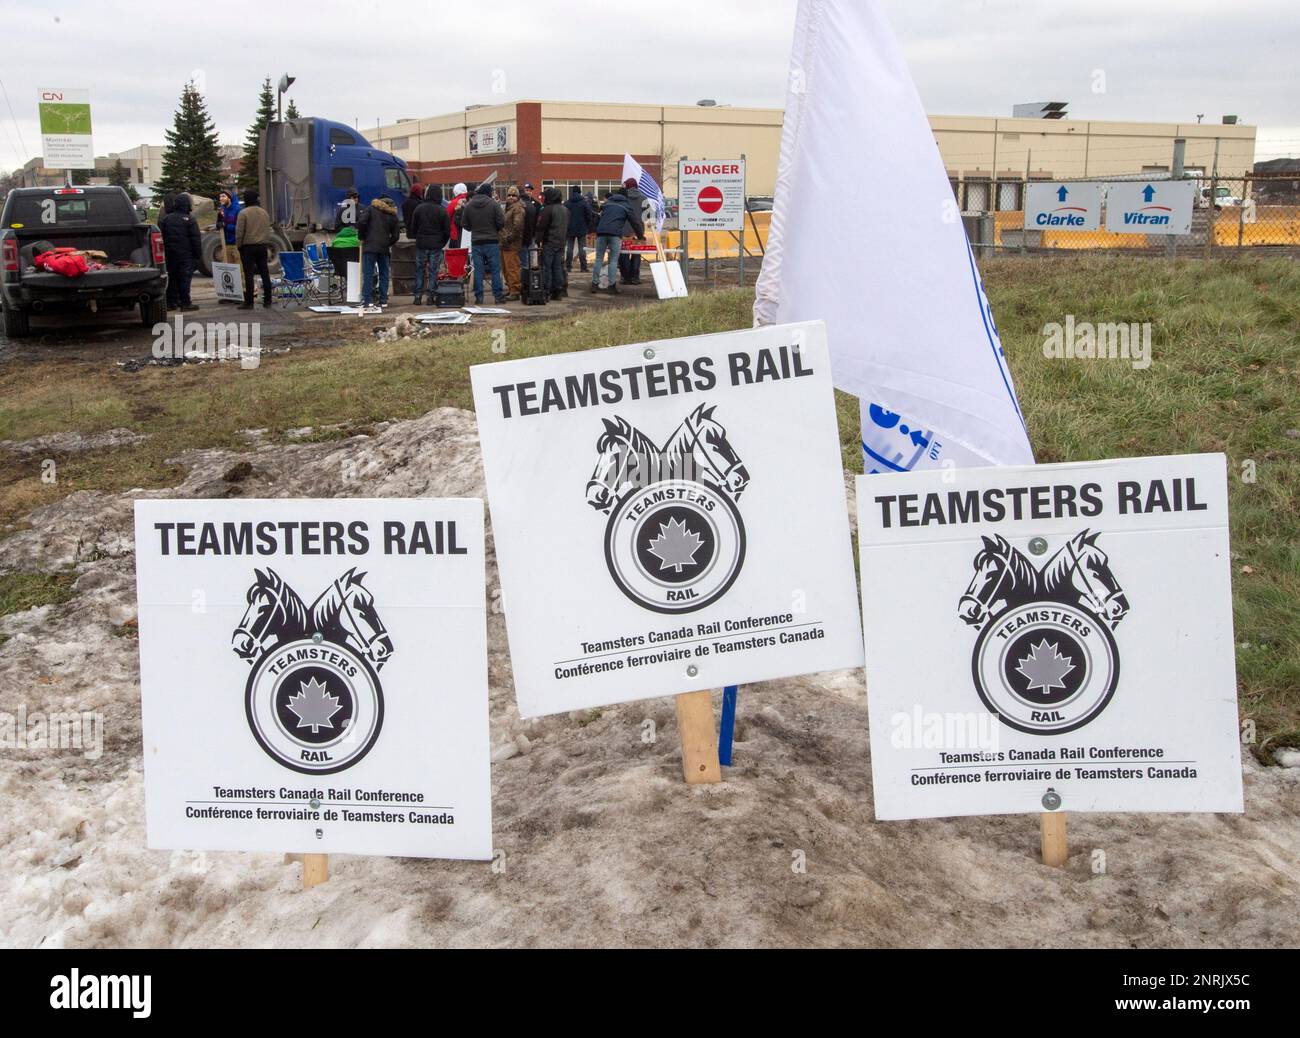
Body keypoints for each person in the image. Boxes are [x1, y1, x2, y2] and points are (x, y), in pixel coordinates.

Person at [457, 183, 507, 304]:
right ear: (489, 192)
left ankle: (479, 298)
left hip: (476, 242)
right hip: (492, 241)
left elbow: (464, 223)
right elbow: (502, 221)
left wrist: (473, 229)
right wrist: (495, 229)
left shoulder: (469, 205)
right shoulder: (494, 204)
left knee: (478, 270)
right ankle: (498, 296)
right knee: (495, 270)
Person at [591, 186, 643, 293]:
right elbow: (635, 223)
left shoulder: (607, 204)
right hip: (615, 234)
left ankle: (594, 284)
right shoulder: (625, 206)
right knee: (613, 261)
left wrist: (596, 230)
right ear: (626, 196)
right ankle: (611, 286)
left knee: (598, 259)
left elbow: (597, 217)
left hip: (601, 233)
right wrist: (640, 236)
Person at [159, 193, 202, 312]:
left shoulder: (166, 219)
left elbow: (161, 237)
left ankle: (171, 303)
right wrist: (198, 255)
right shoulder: (190, 219)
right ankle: (185, 303)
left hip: (169, 254)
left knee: (172, 278)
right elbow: (195, 239)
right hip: (186, 254)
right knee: (185, 278)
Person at [408, 185, 450, 305]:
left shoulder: (419, 208)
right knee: (433, 271)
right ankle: (430, 297)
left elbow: (413, 227)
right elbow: (447, 230)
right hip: (436, 245)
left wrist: (418, 238)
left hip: (421, 243)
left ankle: (417, 296)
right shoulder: (442, 210)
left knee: (419, 270)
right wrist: (441, 242)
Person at [357, 194, 401, 307]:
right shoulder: (392, 215)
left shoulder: (370, 209)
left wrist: (362, 237)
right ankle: (383, 300)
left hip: (369, 246)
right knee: (384, 274)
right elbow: (396, 236)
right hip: (384, 248)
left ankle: (368, 300)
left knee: (368, 273)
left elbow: (361, 222)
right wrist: (387, 242)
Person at [235, 189, 274, 309]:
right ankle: (268, 300)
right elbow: (268, 230)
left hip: (248, 247)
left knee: (249, 275)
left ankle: (249, 302)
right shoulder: (264, 212)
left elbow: (240, 232)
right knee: (265, 273)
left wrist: (239, 245)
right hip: (262, 246)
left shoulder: (243, 213)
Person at [535, 186, 569, 300]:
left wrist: (538, 240)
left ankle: (546, 290)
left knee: (547, 267)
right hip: (561, 242)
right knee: (558, 267)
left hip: (549, 242)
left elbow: (541, 227)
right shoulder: (565, 210)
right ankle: (558, 290)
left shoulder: (547, 209)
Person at [499, 185, 526, 301]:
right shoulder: (509, 208)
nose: (511, 197)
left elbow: (518, 226)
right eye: (509, 195)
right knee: (506, 268)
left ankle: (515, 290)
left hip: (512, 244)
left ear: (517, 197)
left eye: (514, 195)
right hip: (505, 243)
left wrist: (509, 238)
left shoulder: (518, 208)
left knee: (512, 268)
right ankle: (511, 289)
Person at [619, 177, 646, 285]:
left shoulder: (623, 198)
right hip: (638, 231)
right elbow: (649, 215)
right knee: (636, 254)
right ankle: (635, 277)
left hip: (624, 231)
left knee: (624, 254)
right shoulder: (643, 198)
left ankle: (625, 277)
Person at [564, 185, 592, 273]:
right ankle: (583, 267)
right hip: (582, 228)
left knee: (569, 247)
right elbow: (589, 215)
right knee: (582, 248)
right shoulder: (584, 202)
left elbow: (564, 215)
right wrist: (587, 224)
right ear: (580, 192)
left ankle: (568, 266)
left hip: (569, 228)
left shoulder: (567, 203)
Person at [446, 182, 469, 248]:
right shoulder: (469, 200)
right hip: (468, 234)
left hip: (455, 235)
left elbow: (447, 217)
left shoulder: (454, 202)